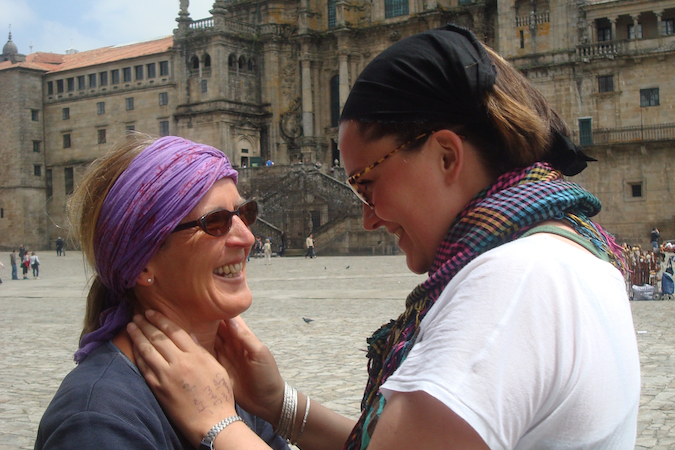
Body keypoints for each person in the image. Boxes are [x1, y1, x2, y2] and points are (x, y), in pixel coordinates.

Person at [126, 25, 640, 450]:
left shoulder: (512, 286)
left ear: (446, 156)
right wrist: (279, 405)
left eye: (366, 184)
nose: (367, 217)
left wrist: (218, 422)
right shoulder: (569, 251)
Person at [34, 135, 289, 450]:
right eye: (216, 222)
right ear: (143, 265)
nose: (247, 237)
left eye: (243, 214)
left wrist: (278, 406)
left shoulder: (232, 380)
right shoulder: (97, 418)